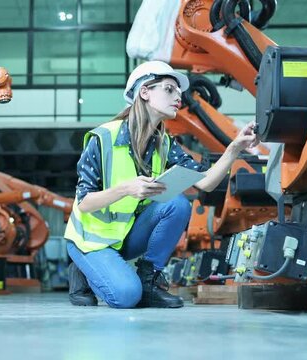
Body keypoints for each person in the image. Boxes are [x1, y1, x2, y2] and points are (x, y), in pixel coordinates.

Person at [64, 61, 259, 308]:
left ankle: (149, 281)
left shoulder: (164, 143)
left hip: (126, 237)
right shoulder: (103, 138)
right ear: (144, 92)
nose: (178, 96)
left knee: (177, 204)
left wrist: (235, 148)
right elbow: (84, 204)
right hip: (90, 240)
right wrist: (126, 188)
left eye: (178, 91)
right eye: (169, 89)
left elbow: (207, 183)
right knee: (125, 297)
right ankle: (81, 268)